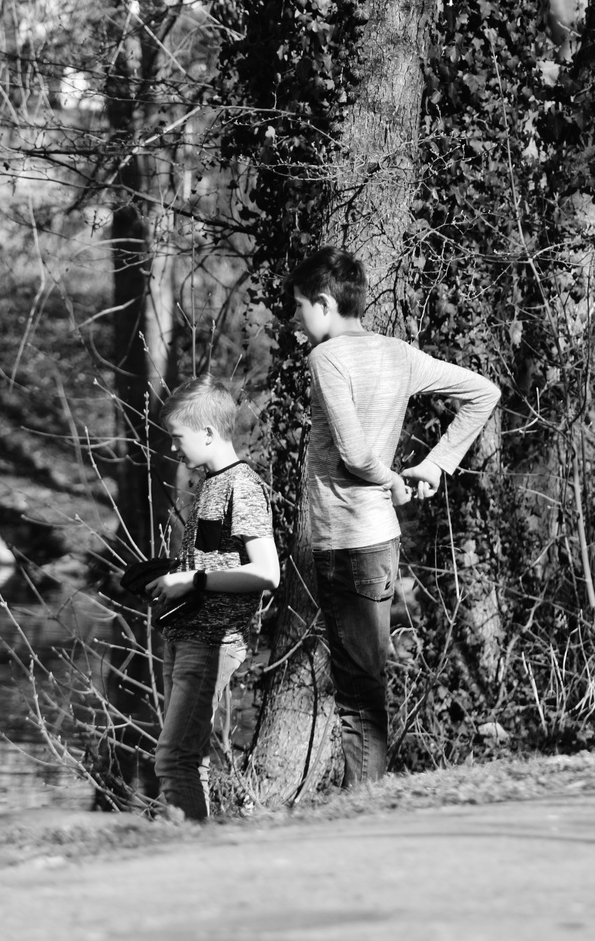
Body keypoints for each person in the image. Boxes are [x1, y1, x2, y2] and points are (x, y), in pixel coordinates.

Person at [283, 247, 501, 787]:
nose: (296, 321)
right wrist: (435, 464)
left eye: (300, 308)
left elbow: (356, 454)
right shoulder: (398, 354)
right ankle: (368, 802)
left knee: (358, 695)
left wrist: (401, 478)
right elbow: (484, 393)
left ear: (325, 303)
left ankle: (363, 812)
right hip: (380, 541)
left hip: (347, 542)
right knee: (366, 684)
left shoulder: (327, 359)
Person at [146, 374, 280, 820]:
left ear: (207, 433)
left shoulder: (241, 486)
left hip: (210, 641)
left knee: (173, 758)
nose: (172, 448)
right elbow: (218, 561)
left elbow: (267, 572)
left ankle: (187, 856)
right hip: (186, 634)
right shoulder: (213, 483)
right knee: (191, 757)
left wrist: (193, 581)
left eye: (177, 437)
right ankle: (198, 846)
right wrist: (171, 575)